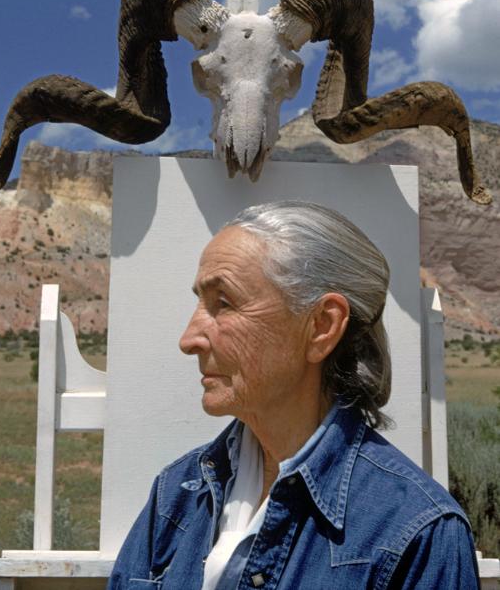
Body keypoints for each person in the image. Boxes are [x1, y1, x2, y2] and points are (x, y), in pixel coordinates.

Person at [107, 201, 479, 589]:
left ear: (321, 326)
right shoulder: (178, 492)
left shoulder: (417, 532)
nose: (189, 340)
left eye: (224, 303)